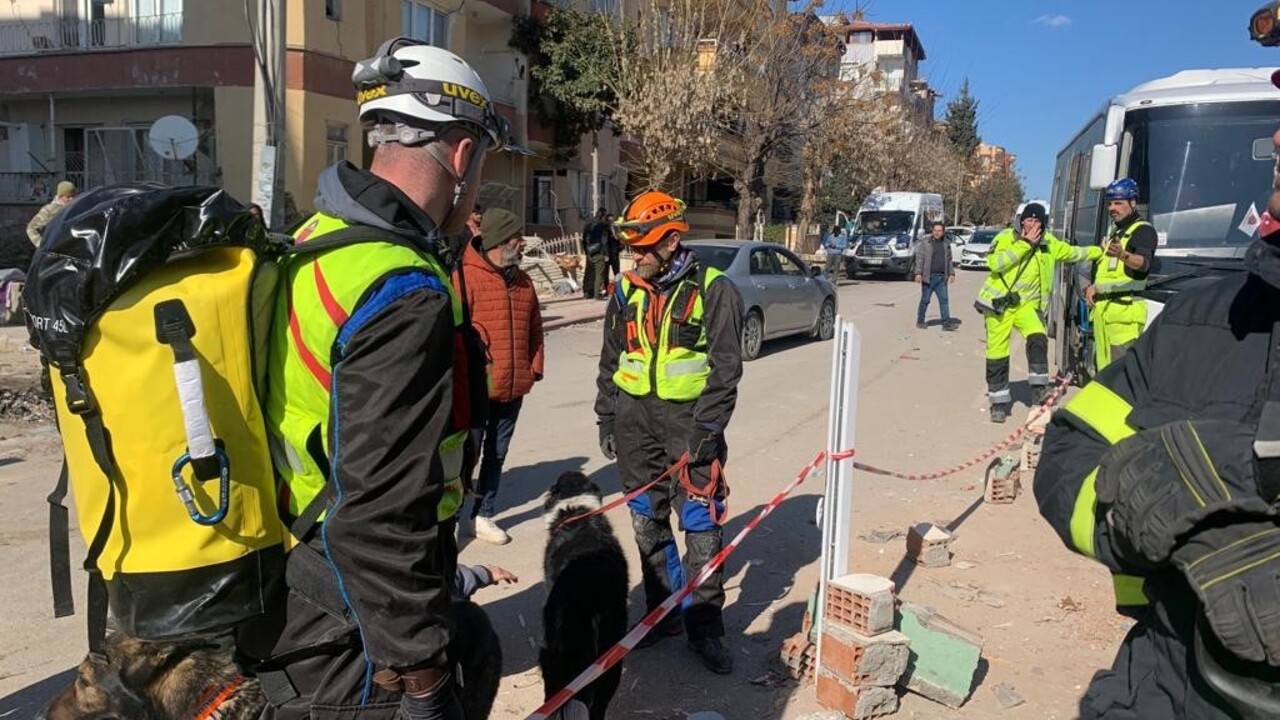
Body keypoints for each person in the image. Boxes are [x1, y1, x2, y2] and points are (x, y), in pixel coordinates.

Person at [256, 37, 519, 720]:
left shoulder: (318, 240)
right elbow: (379, 508)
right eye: (483, 158)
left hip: (298, 569)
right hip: (354, 618)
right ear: (462, 155)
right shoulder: (403, 288)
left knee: (478, 641)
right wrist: (423, 678)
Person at [1032, 130, 1280, 720]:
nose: (1275, 137)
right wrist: (1128, 520)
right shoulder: (1206, 316)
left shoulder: (1137, 235)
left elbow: (1141, 265)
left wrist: (1241, 491)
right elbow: (1074, 444)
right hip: (1158, 681)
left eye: (1118, 201)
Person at [594, 190, 744, 675]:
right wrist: (606, 416)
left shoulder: (715, 289)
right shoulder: (625, 289)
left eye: (643, 248)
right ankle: (663, 615)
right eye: (631, 248)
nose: (635, 257)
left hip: (689, 427)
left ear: (672, 241)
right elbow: (611, 358)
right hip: (634, 423)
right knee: (646, 521)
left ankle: (705, 629)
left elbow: (726, 370)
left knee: (701, 526)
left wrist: (708, 428)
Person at [455, 207, 545, 546]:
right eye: (515, 239)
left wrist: (534, 365)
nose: (521, 244)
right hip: (474, 388)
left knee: (497, 453)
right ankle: (452, 515)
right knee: (465, 454)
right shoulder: (464, 277)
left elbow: (536, 327)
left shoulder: (523, 281)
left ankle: (482, 514)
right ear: (496, 242)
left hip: (513, 384)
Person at [977, 201, 1101, 423]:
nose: (1032, 225)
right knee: (997, 352)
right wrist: (1024, 244)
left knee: (1038, 338)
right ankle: (998, 403)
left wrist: (1099, 250)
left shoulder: (1049, 243)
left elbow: (1073, 253)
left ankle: (1038, 391)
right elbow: (994, 263)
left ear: (1043, 225)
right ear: (1021, 220)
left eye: (1037, 221)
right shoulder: (1006, 237)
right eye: (1028, 220)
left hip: (1027, 305)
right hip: (999, 304)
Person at [1083, 178, 1157, 371]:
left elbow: (1144, 263)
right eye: (1109, 203)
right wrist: (1094, 288)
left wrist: (1123, 255)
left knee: (1122, 378)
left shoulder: (1143, 231)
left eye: (1118, 203)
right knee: (1105, 376)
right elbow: (1109, 275)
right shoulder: (1116, 232)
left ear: (1133, 203)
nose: (1111, 208)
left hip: (1124, 322)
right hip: (1105, 318)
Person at [914, 220, 957, 331]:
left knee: (944, 301)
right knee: (925, 300)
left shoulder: (946, 244)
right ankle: (920, 321)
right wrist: (918, 273)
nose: (937, 233)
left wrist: (952, 273)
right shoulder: (925, 243)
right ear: (932, 231)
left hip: (942, 278)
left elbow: (949, 260)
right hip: (928, 277)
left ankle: (946, 323)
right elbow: (920, 258)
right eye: (935, 230)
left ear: (943, 232)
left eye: (939, 230)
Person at [27, 181, 76, 246]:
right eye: (68, 197)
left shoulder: (74, 208)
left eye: (73, 196)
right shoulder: (49, 210)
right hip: (55, 251)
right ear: (60, 196)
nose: (71, 199)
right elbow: (31, 228)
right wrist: (41, 245)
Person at [583, 208, 610, 299]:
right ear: (603, 215)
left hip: (589, 251)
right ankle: (597, 294)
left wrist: (586, 251)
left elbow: (583, 239)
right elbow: (604, 240)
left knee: (589, 272)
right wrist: (606, 253)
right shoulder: (602, 225)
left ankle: (587, 293)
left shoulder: (588, 224)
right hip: (598, 251)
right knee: (599, 273)